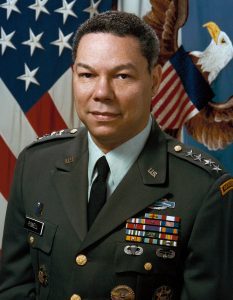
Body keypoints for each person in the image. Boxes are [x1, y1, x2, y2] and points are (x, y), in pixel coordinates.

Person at [0, 10, 233, 300]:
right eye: (87, 74)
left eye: (122, 76)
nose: (101, 92)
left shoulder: (203, 188)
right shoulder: (35, 164)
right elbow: (14, 287)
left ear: (155, 80)